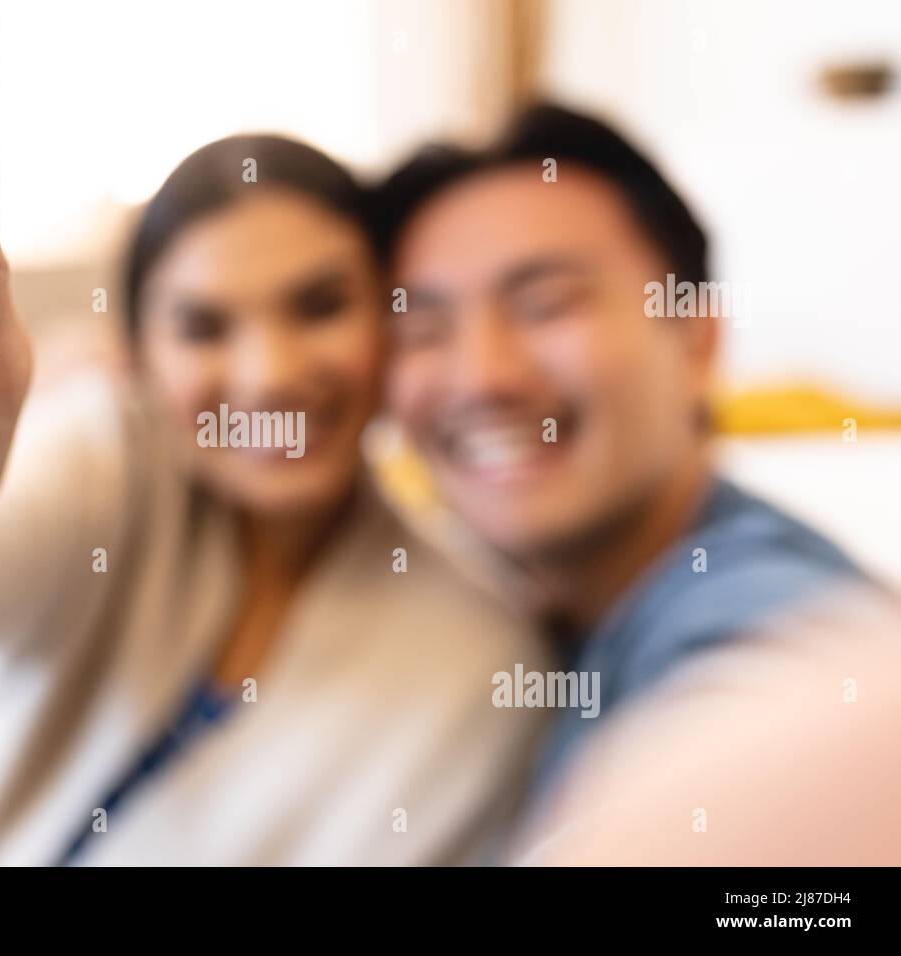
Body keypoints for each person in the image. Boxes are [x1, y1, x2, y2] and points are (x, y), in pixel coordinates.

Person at [0, 36, 544, 865]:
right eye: (202, 325)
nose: (270, 374)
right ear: (139, 358)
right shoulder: (107, 460)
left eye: (318, 306)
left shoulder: (474, 657)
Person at [376, 104, 885, 837]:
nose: (483, 377)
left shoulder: (755, 621)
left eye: (545, 305)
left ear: (697, 342)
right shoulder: (531, 626)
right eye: (423, 330)